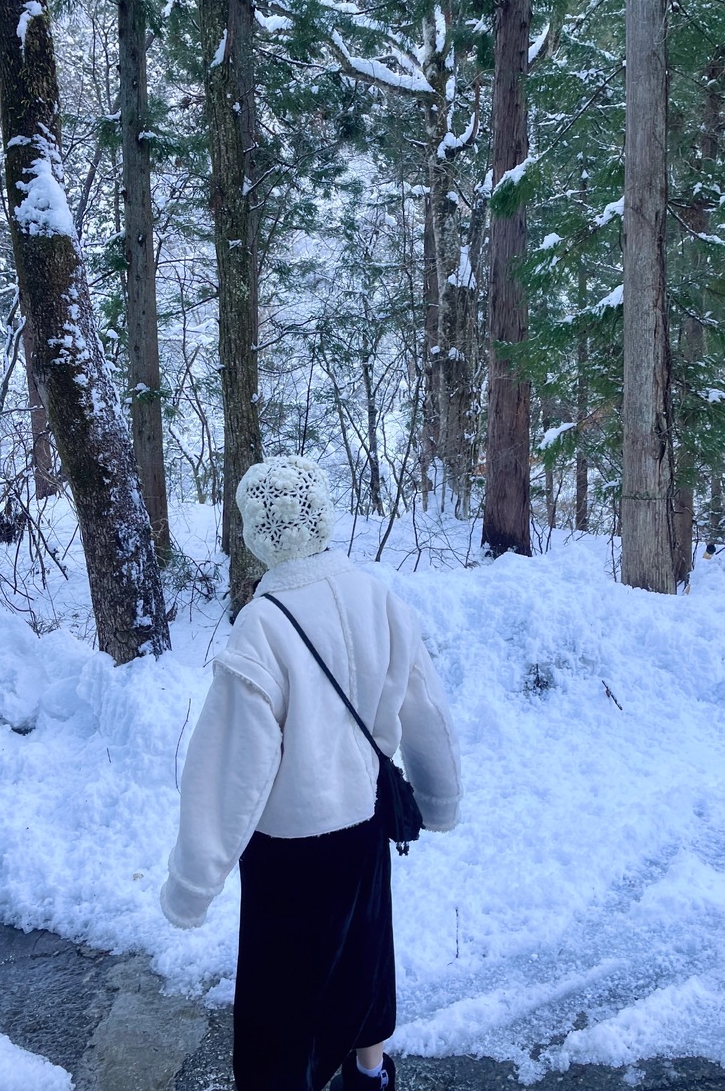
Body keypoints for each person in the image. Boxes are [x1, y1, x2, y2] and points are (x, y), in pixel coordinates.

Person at [160, 456, 462, 1091]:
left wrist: (192, 883)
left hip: (289, 846)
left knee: (281, 1000)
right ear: (323, 516)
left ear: (255, 534)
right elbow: (426, 708)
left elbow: (230, 769)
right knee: (365, 954)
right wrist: (440, 800)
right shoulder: (379, 598)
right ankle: (370, 1075)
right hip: (366, 824)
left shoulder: (261, 626)